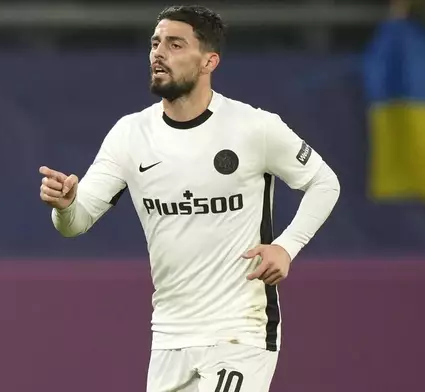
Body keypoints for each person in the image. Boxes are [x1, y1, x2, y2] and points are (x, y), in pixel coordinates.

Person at [39, 5, 340, 392]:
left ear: (208, 61)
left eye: (175, 44)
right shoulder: (130, 135)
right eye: (155, 43)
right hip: (169, 335)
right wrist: (64, 206)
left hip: (240, 332)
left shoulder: (254, 127)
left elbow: (325, 183)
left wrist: (286, 246)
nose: (158, 52)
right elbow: (76, 222)